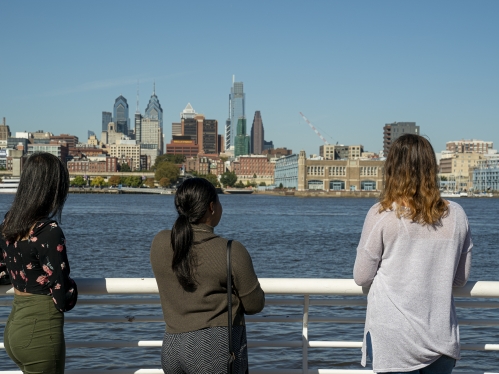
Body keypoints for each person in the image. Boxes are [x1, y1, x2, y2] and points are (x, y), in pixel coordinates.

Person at [353, 134, 472, 374]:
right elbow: (460, 279)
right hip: (440, 338)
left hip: (393, 340)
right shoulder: (457, 215)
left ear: (392, 170)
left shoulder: (382, 214)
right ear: (431, 168)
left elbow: (362, 277)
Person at [150, 178, 265, 374]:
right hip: (212, 349)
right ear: (212, 207)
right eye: (219, 202)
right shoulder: (231, 250)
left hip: (172, 347)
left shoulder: (160, 242)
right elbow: (255, 304)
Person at [1, 152, 78, 374]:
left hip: (14, 327)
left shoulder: (9, 224)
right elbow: (63, 297)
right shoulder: (48, 231)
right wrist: (73, 287)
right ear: (53, 188)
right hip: (41, 330)